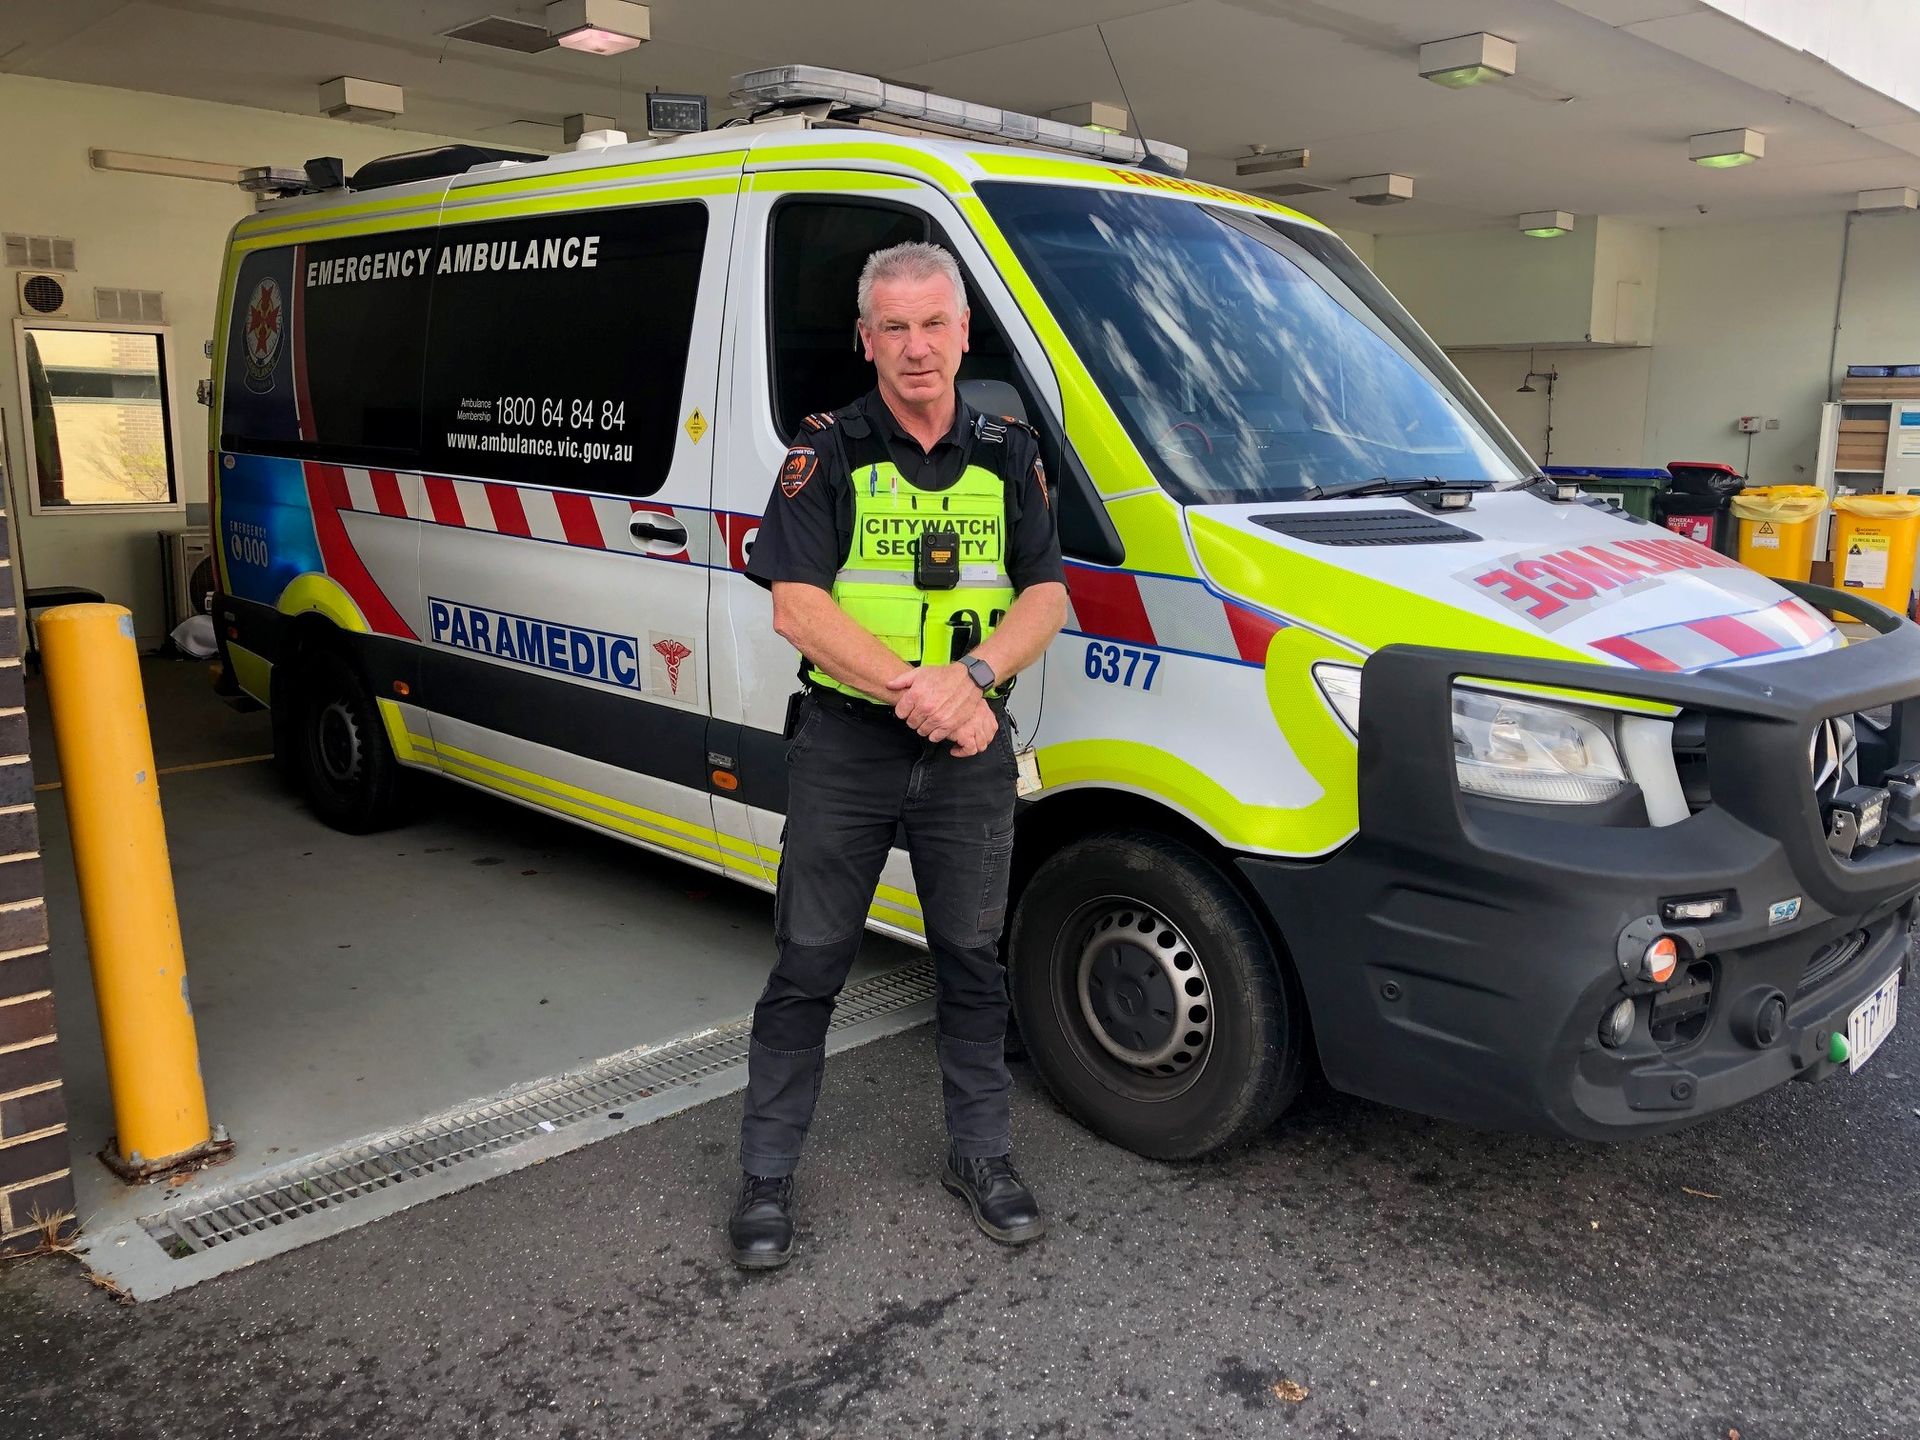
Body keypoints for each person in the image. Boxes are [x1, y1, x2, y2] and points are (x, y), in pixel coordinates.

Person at [729, 240, 1068, 1269]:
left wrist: (976, 684)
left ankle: (983, 1154)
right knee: (811, 963)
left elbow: (1047, 592)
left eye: (935, 325)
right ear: (866, 340)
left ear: (963, 334)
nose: (917, 348)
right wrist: (923, 692)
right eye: (895, 328)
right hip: (850, 746)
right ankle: (766, 1175)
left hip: (969, 748)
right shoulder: (824, 451)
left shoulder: (1009, 449)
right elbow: (797, 605)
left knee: (972, 959)